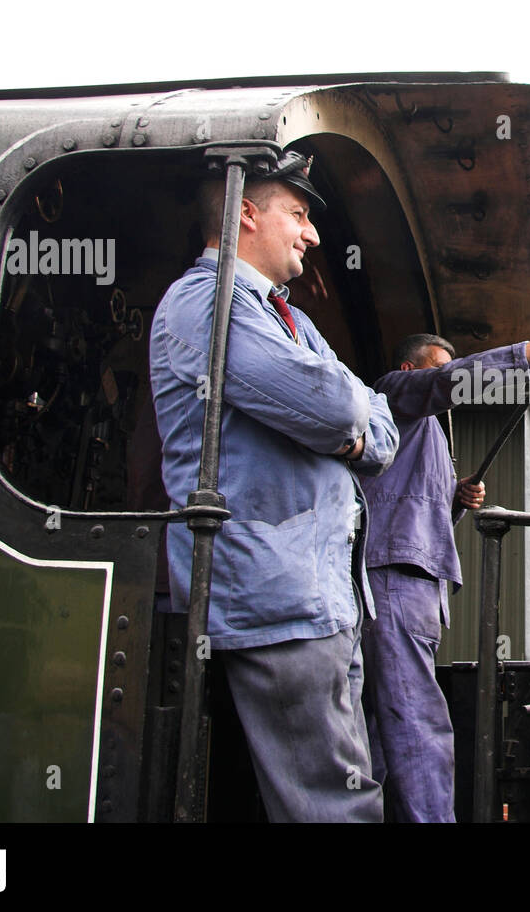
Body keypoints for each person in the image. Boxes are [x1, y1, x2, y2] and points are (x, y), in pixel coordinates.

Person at [150, 150, 398, 822]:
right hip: (275, 595)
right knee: (332, 806)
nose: (312, 234)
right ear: (246, 213)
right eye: (299, 213)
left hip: (321, 595)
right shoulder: (207, 303)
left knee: (347, 790)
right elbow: (343, 410)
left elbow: (380, 426)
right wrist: (346, 415)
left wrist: (349, 413)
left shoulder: (290, 318)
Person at [359, 328, 530, 822]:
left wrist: (454, 498)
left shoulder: (427, 434)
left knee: (379, 733)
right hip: (394, 579)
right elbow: (450, 381)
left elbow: (411, 509)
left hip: (408, 579)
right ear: (411, 371)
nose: (450, 377)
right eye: (438, 365)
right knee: (416, 720)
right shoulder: (392, 394)